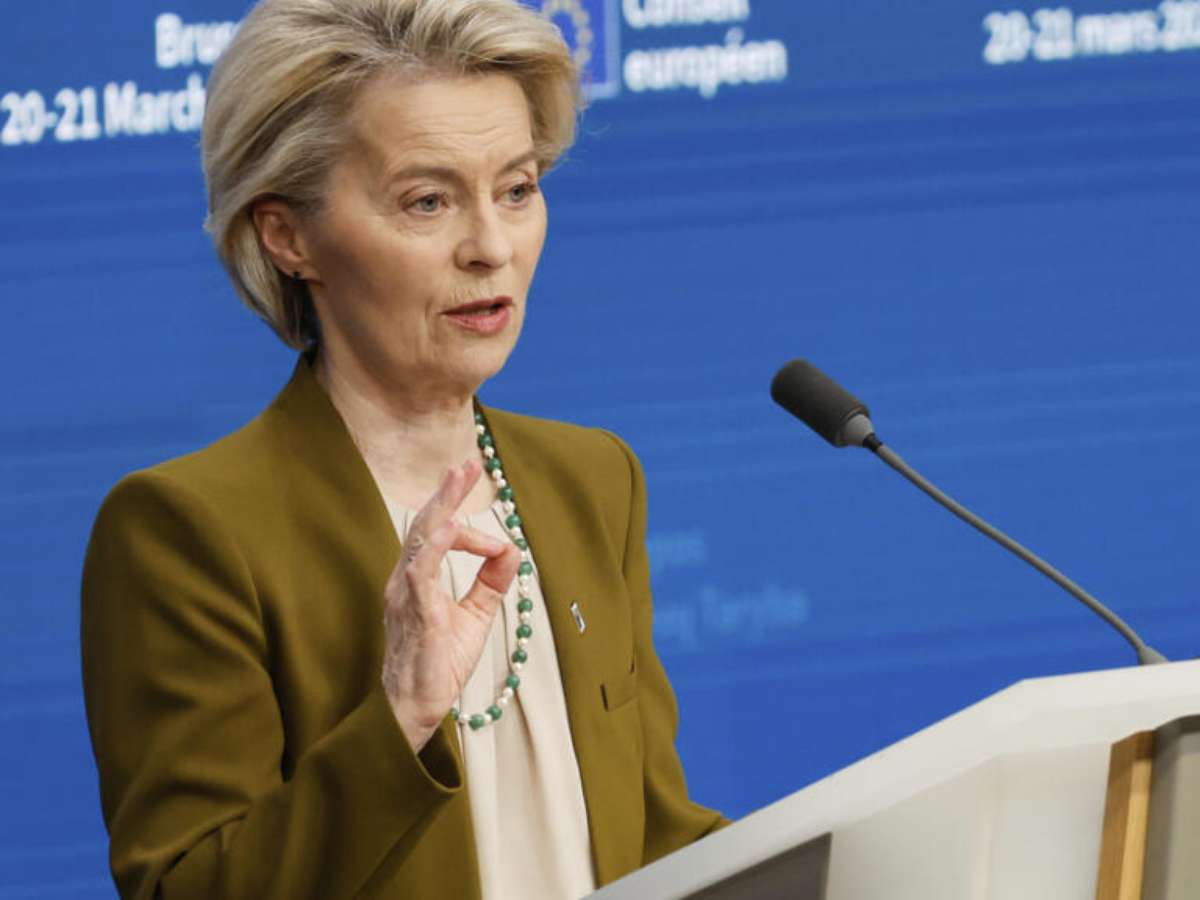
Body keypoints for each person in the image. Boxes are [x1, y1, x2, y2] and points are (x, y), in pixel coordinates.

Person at [80, 1, 725, 898]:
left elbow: (654, 835)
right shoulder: (186, 532)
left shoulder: (593, 480)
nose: (491, 247)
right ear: (288, 235)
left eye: (517, 189)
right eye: (428, 201)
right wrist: (402, 715)